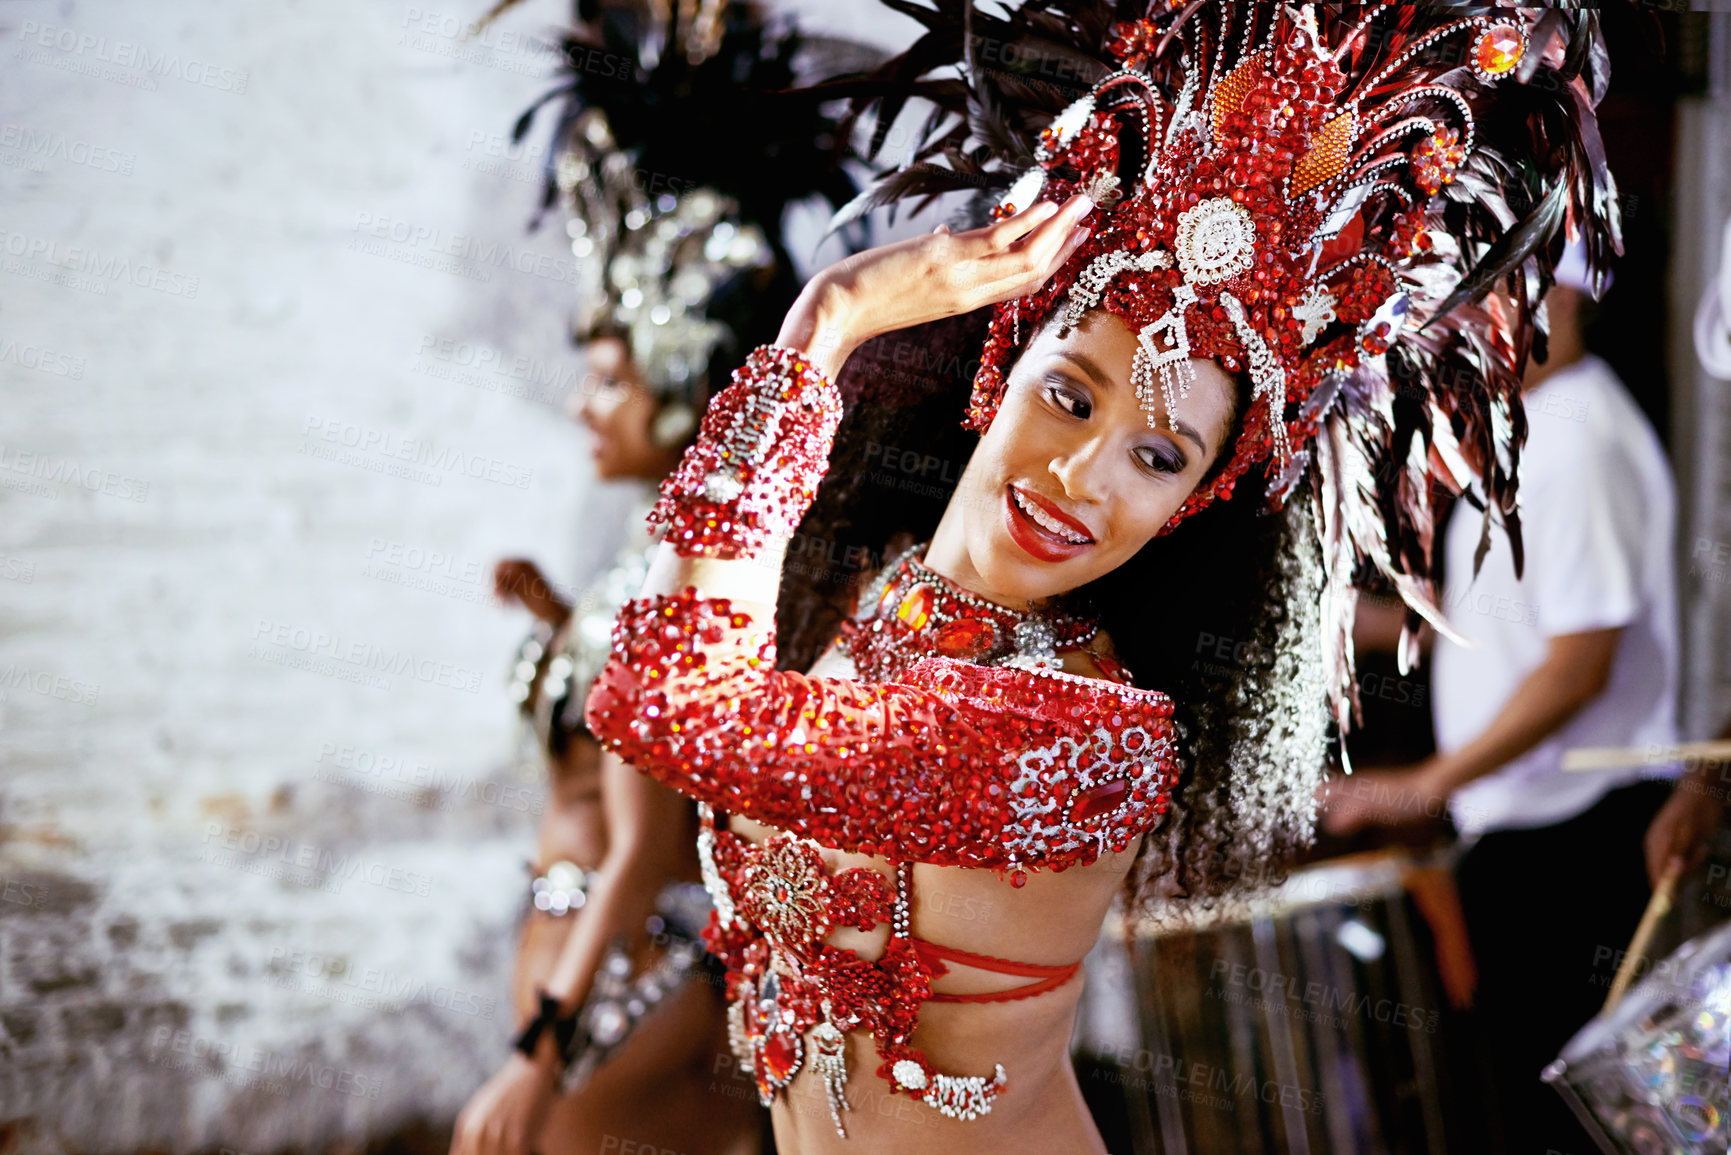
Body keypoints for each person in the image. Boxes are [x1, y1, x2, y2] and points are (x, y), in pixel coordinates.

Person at [564, 5, 1616, 1151]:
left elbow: (665, 700)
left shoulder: (1081, 731)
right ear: (999, 373)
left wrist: (829, 325)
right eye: (1070, 394)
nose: (1079, 473)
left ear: (1194, 502)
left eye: (1157, 457)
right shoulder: (888, 597)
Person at [450, 4, 859, 1153]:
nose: (585, 405)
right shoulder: (661, 564)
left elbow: (642, 848)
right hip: (615, 974)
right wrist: (552, 613)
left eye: (609, 376)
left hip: (622, 983)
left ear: (679, 382)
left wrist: (540, 1057)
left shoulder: (661, 587)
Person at [1323, 261, 1682, 1152]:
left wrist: (1422, 785)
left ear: (1554, 300)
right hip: (1534, 838)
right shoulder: (1532, 431)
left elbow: (1576, 668)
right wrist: (1356, 622)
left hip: (1578, 841)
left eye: (1485, 303)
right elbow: (1511, 615)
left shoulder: (1583, 441)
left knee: (1581, 1121)